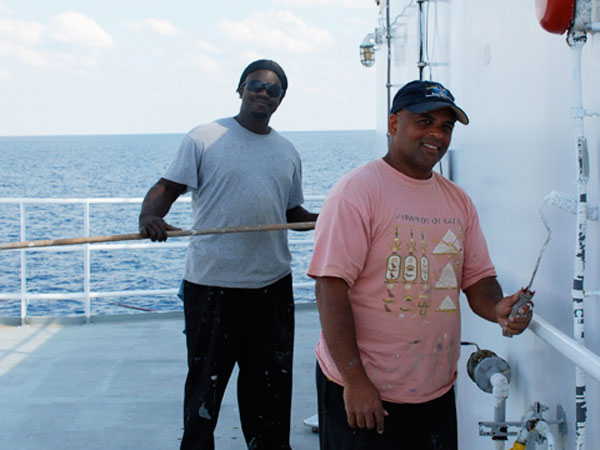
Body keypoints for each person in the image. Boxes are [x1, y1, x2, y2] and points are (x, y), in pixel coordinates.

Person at [307, 80, 533, 450]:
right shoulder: (356, 192)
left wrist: (498, 309)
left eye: (446, 127)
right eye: (425, 121)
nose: (437, 135)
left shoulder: (458, 201)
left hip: (434, 390)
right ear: (395, 124)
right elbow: (330, 288)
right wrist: (355, 381)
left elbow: (477, 279)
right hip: (365, 390)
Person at [138, 59, 317, 450]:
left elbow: (292, 215)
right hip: (212, 286)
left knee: (270, 388)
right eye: (255, 84)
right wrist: (150, 216)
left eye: (273, 89)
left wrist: (334, 218)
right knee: (205, 387)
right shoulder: (204, 137)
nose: (262, 92)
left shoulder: (287, 152)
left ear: (281, 99)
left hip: (272, 288)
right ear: (240, 89)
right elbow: (167, 188)